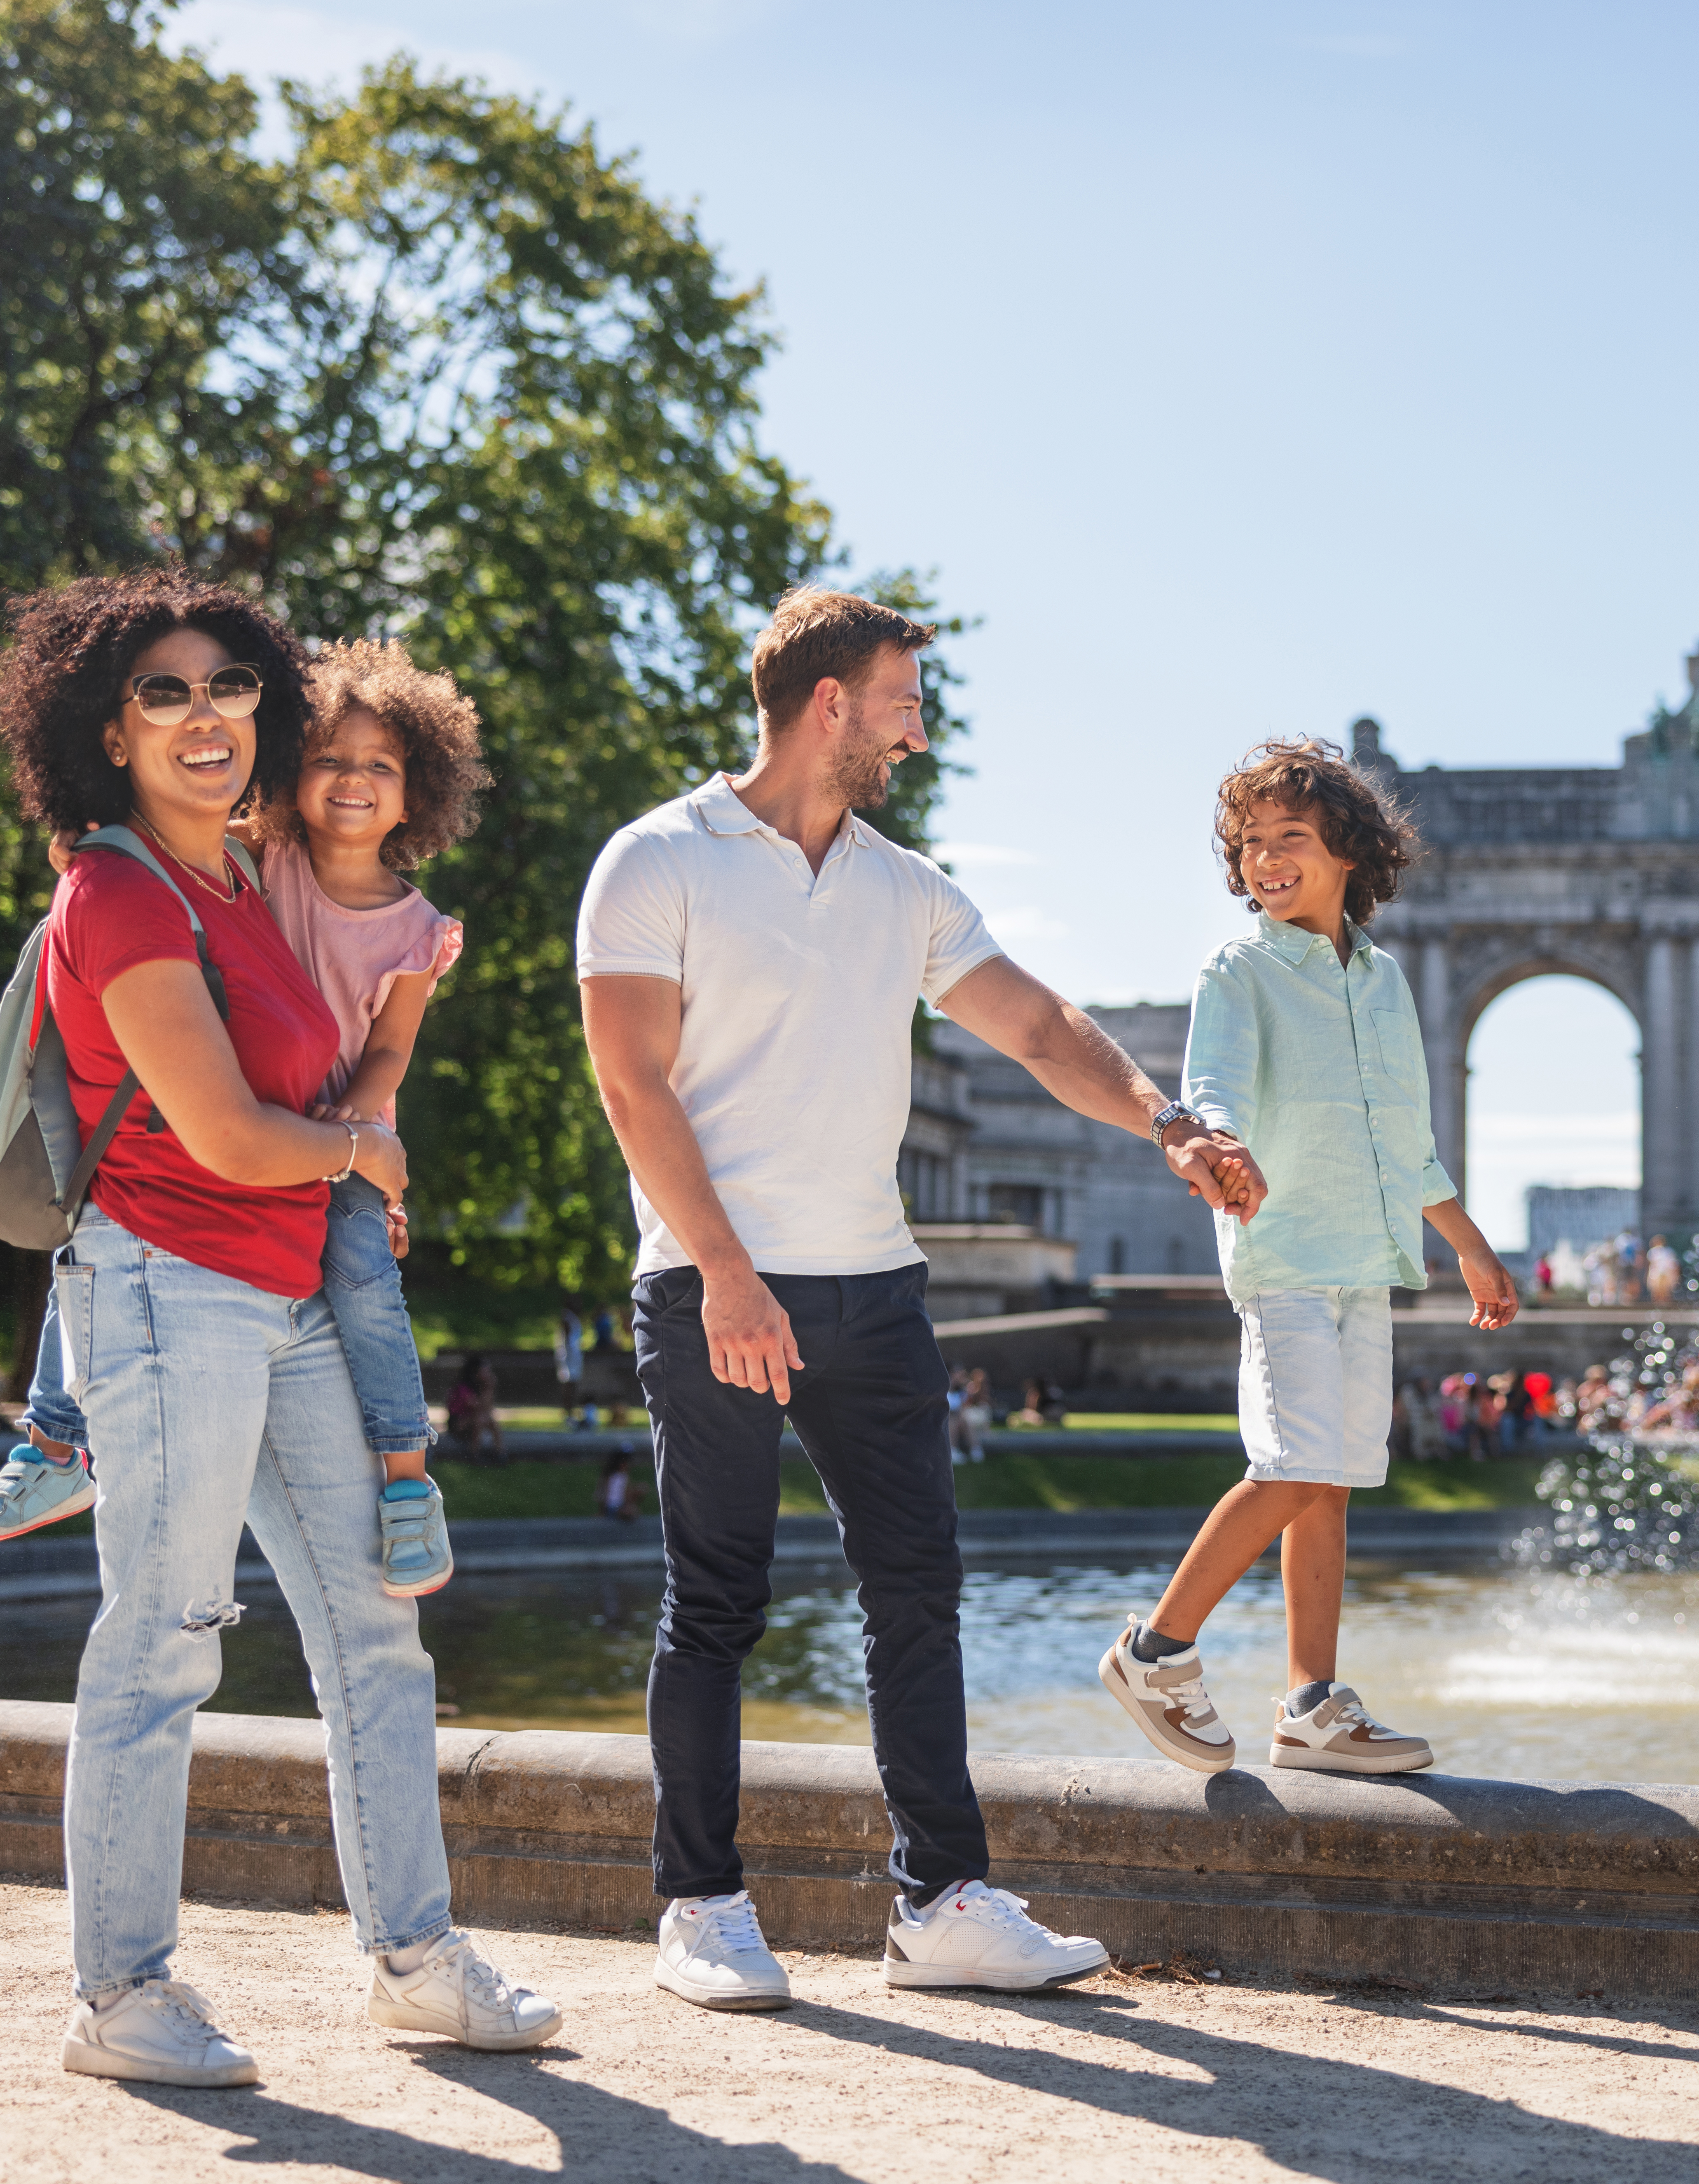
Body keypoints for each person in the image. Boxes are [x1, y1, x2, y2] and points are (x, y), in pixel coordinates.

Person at [575, 587, 1255, 2008]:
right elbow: (631, 1086)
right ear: (830, 703)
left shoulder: (902, 886)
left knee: (918, 1595)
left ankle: (939, 1901)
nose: (916, 728)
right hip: (715, 1292)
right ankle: (700, 1907)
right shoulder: (655, 861)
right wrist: (724, 1273)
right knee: (716, 1604)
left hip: (874, 1288)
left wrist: (1164, 1118)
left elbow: (1036, 1025)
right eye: (903, 699)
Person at [0, 567, 554, 2088]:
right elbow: (228, 1133)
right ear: (107, 731)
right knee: (165, 1639)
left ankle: (416, 1961)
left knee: (378, 1631)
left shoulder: (249, 875)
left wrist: (358, 1138)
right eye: (160, 692)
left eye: (229, 684)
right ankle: (121, 1994)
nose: (203, 713)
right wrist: (364, 1156)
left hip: (293, 1296)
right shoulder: (115, 890)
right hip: (167, 1290)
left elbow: (344, 1040)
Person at [0, 639, 485, 1605]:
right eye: (330, 759)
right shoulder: (255, 858)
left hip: (340, 1139)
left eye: (380, 766)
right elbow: (163, 856)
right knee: (91, 1236)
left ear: (417, 796)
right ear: (292, 772)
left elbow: (391, 1050)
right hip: (247, 1129)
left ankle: (409, 1482)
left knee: (368, 1283)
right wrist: (78, 837)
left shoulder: (419, 929)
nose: (353, 781)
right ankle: (49, 1438)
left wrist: (359, 1136)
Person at [1096, 738, 1516, 1781]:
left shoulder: (1384, 983)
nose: (1266, 858)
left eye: (1291, 837)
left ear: (1348, 850)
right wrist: (1221, 1143)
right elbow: (1217, 1083)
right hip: (1281, 1251)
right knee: (1291, 1463)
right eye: (1248, 844)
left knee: (1331, 1482)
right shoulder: (1238, 968)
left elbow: (1405, 1138)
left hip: (1365, 1261)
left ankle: (1312, 1705)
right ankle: (1155, 1650)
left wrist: (1469, 1246)